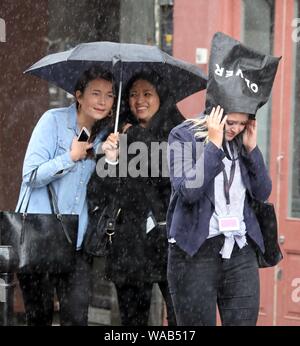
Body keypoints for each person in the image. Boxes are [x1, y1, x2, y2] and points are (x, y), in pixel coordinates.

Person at [166, 31, 281, 326]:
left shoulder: (242, 141)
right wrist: (214, 146)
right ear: (215, 113)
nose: (234, 129)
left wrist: (252, 149)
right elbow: (188, 192)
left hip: (239, 249)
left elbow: (262, 191)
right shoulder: (182, 136)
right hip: (194, 252)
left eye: (242, 124)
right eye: (230, 122)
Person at [16, 66, 115, 326]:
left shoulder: (106, 136)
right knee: (39, 319)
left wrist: (113, 160)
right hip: (40, 239)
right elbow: (31, 175)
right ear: (79, 96)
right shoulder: (53, 121)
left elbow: (104, 191)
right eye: (96, 93)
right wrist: (70, 157)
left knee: (76, 318)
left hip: (77, 244)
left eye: (109, 95)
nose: (103, 101)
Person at [87, 72, 183, 326]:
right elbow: (98, 192)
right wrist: (110, 158)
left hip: (172, 243)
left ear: (161, 97)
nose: (139, 100)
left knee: (181, 318)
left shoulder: (180, 132)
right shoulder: (116, 135)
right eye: (132, 94)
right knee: (132, 322)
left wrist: (138, 138)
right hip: (130, 247)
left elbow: (169, 180)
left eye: (147, 93)